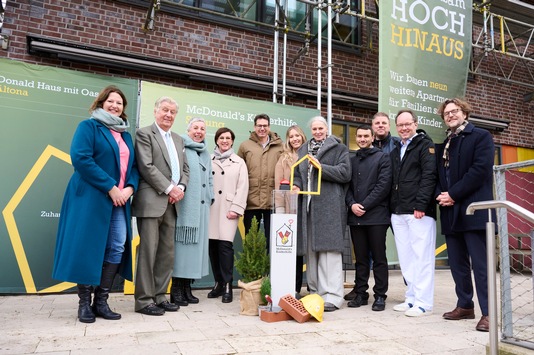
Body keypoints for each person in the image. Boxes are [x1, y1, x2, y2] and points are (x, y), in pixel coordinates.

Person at [53, 85, 139, 323]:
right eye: (111, 101)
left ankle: (101, 301)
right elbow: (81, 158)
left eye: (119, 103)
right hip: (91, 197)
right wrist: (111, 187)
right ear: (101, 103)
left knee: (118, 246)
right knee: (88, 247)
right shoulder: (89, 126)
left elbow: (133, 167)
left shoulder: (126, 135)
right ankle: (84, 304)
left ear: (123, 109)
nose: (115, 105)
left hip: (120, 199)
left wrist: (129, 188)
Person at [435, 98, 495, 332]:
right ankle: (465, 306)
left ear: (465, 113)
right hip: (451, 212)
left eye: (454, 111)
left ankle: (489, 313)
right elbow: (439, 175)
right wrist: (441, 195)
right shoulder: (447, 142)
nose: (450, 115)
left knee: (481, 266)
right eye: (446, 113)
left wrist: (454, 194)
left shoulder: (481, 136)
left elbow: (479, 170)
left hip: (474, 210)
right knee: (457, 264)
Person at [132, 97, 189, 316]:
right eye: (165, 110)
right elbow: (146, 166)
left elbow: (185, 169)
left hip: (173, 203)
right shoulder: (145, 134)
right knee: (148, 252)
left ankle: (160, 296)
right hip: (152, 200)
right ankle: (144, 300)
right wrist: (169, 188)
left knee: (166, 253)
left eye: (173, 112)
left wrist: (181, 187)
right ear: (156, 111)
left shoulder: (178, 139)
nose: (168, 115)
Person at [292, 116, 351, 312]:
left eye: (321, 128)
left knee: (329, 253)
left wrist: (320, 168)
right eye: (314, 128)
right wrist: (296, 185)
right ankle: (315, 293)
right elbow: (300, 175)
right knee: (312, 252)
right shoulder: (303, 149)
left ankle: (332, 297)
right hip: (308, 206)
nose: (317, 132)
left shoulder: (339, 148)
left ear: (327, 129)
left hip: (329, 206)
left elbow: (345, 173)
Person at [390, 109, 437, 317]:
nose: (404, 128)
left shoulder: (425, 145)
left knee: (422, 257)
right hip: (398, 211)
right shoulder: (396, 150)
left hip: (418, 211)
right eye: (400, 125)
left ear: (415, 124)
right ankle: (411, 297)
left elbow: (429, 176)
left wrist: (421, 205)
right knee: (407, 259)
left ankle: (424, 302)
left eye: (407, 124)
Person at [345, 124, 392, 311]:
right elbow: (346, 187)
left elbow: (383, 186)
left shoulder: (383, 158)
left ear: (373, 137)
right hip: (356, 216)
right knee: (361, 259)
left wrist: (363, 205)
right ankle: (361, 293)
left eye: (366, 136)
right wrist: (351, 204)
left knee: (379, 257)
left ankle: (380, 295)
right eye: (359, 136)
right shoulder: (352, 159)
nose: (362, 139)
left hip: (377, 217)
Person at [170, 118, 214, 306]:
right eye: (195, 128)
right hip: (186, 207)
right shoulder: (181, 147)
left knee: (196, 253)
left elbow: (209, 177)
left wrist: (210, 196)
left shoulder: (205, 153)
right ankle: (176, 289)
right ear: (188, 131)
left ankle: (187, 288)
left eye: (202, 129)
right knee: (183, 250)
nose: (199, 131)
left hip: (202, 208)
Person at [208, 127, 249, 303]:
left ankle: (227, 285)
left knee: (225, 247)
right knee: (212, 246)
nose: (224, 140)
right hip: (210, 208)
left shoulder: (239, 162)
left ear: (232, 141)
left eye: (228, 138)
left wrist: (236, 208)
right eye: (221, 138)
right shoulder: (208, 159)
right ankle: (218, 283)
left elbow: (243, 187)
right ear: (216, 140)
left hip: (228, 209)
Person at [237, 114, 283, 251]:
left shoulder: (280, 146)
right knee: (252, 241)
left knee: (273, 242)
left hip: (273, 200)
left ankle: (270, 272)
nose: (262, 128)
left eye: (265, 126)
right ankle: (252, 273)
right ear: (254, 127)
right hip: (251, 200)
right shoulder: (245, 146)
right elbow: (239, 171)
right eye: (259, 126)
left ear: (269, 127)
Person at [274, 125, 308, 297]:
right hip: (288, 209)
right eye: (291, 136)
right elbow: (278, 186)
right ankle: (291, 288)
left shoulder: (309, 156)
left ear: (302, 137)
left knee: (302, 249)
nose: (295, 139)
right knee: (290, 250)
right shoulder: (283, 159)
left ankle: (301, 287)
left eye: (297, 135)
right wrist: (280, 210)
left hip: (307, 208)